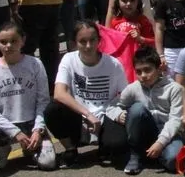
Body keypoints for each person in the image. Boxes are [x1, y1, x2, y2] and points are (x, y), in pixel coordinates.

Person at [0, 21, 56, 170]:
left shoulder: (35, 64)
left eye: (13, 41)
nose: (8, 46)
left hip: (31, 124)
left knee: (48, 163)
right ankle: (2, 147)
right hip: (4, 127)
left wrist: (38, 129)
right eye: (3, 42)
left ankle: (31, 147)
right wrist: (15, 132)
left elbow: (43, 100)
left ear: (23, 40)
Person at [44, 21, 129, 167]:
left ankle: (104, 145)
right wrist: (87, 115)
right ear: (74, 43)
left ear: (99, 40)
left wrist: (117, 113)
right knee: (53, 109)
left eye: (92, 40)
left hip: (106, 114)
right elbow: (59, 93)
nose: (88, 46)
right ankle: (70, 148)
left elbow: (126, 94)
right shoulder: (69, 59)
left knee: (117, 145)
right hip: (79, 117)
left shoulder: (113, 63)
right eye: (83, 41)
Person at [107, 46, 185, 174]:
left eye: (147, 70)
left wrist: (160, 143)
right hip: (145, 132)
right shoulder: (133, 88)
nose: (143, 75)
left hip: (167, 133)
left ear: (159, 69)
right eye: (138, 72)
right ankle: (136, 154)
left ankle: (154, 155)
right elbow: (111, 107)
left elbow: (175, 120)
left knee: (173, 160)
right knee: (137, 109)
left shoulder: (174, 89)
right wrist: (118, 114)